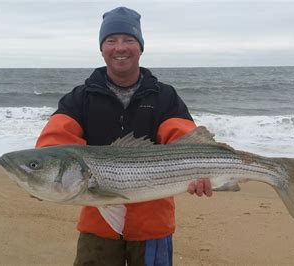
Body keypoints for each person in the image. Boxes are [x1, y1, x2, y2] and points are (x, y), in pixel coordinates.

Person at [36, 6, 212, 266]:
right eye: (111, 40)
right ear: (101, 48)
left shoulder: (163, 96)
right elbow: (54, 146)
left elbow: (183, 138)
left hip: (153, 225)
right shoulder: (81, 98)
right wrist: (40, 178)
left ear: (140, 47)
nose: (120, 47)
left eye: (129, 40)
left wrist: (202, 170)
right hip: (98, 225)